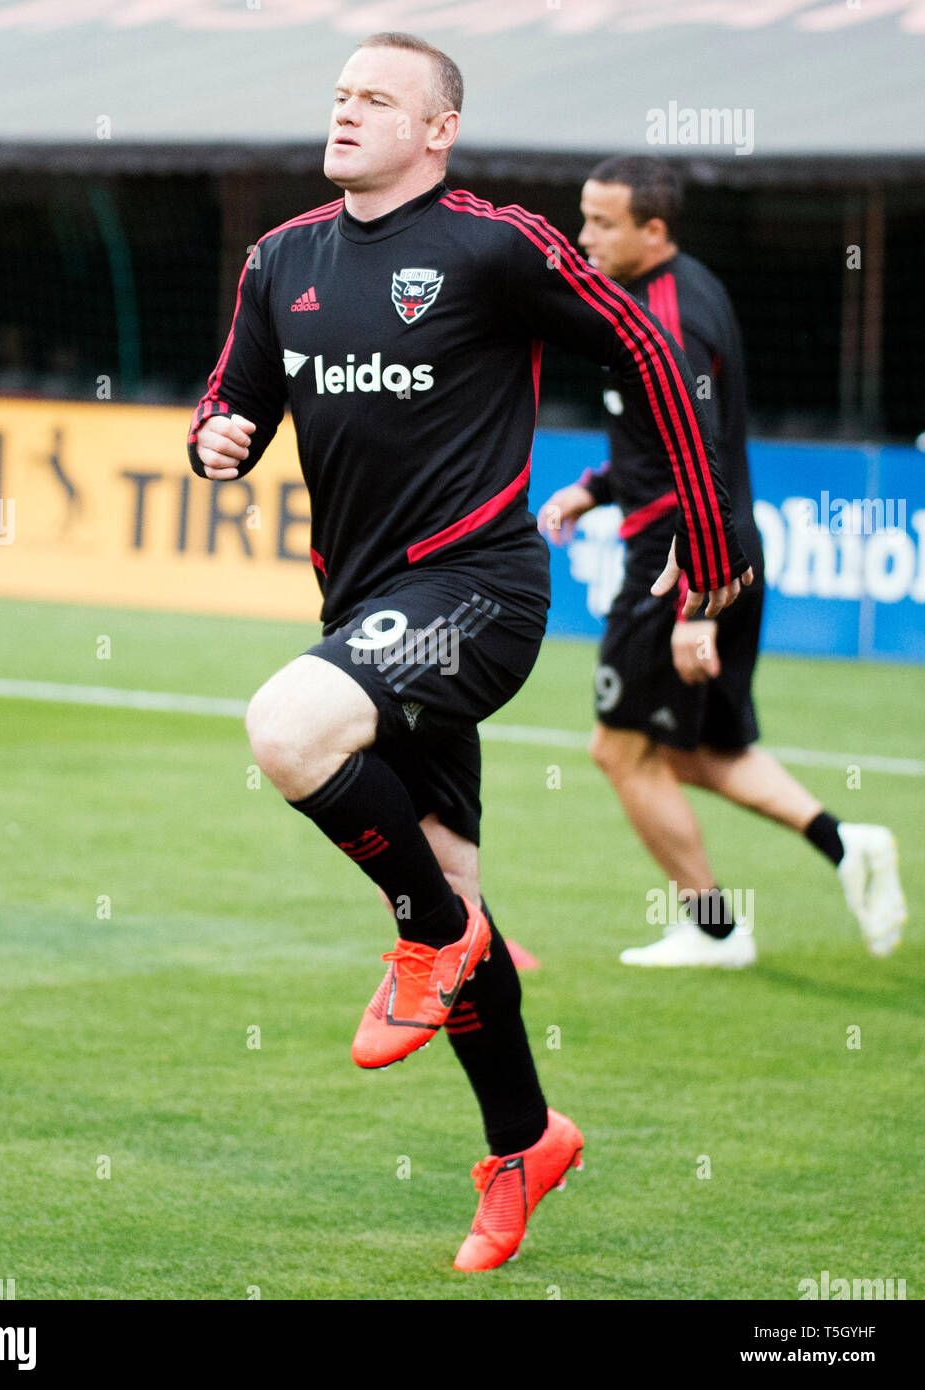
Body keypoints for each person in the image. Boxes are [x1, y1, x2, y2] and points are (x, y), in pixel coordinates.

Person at [188, 41, 749, 1269]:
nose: (345, 110)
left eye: (375, 98)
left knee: (287, 728)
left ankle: (421, 934)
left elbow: (648, 354)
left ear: (436, 130)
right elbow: (229, 400)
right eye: (338, 94)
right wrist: (215, 439)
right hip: (366, 613)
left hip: (476, 593)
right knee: (461, 891)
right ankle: (524, 1139)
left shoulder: (496, 244)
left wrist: (706, 543)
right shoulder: (280, 259)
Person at [539, 156, 906, 967]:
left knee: (618, 749)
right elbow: (661, 444)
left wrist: (691, 612)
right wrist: (594, 489)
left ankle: (714, 929)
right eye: (584, 217)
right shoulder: (667, 290)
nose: (584, 235)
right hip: (718, 550)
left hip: (681, 564)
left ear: (655, 230)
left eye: (603, 223)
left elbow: (695, 475)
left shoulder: (671, 323)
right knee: (695, 752)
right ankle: (850, 844)